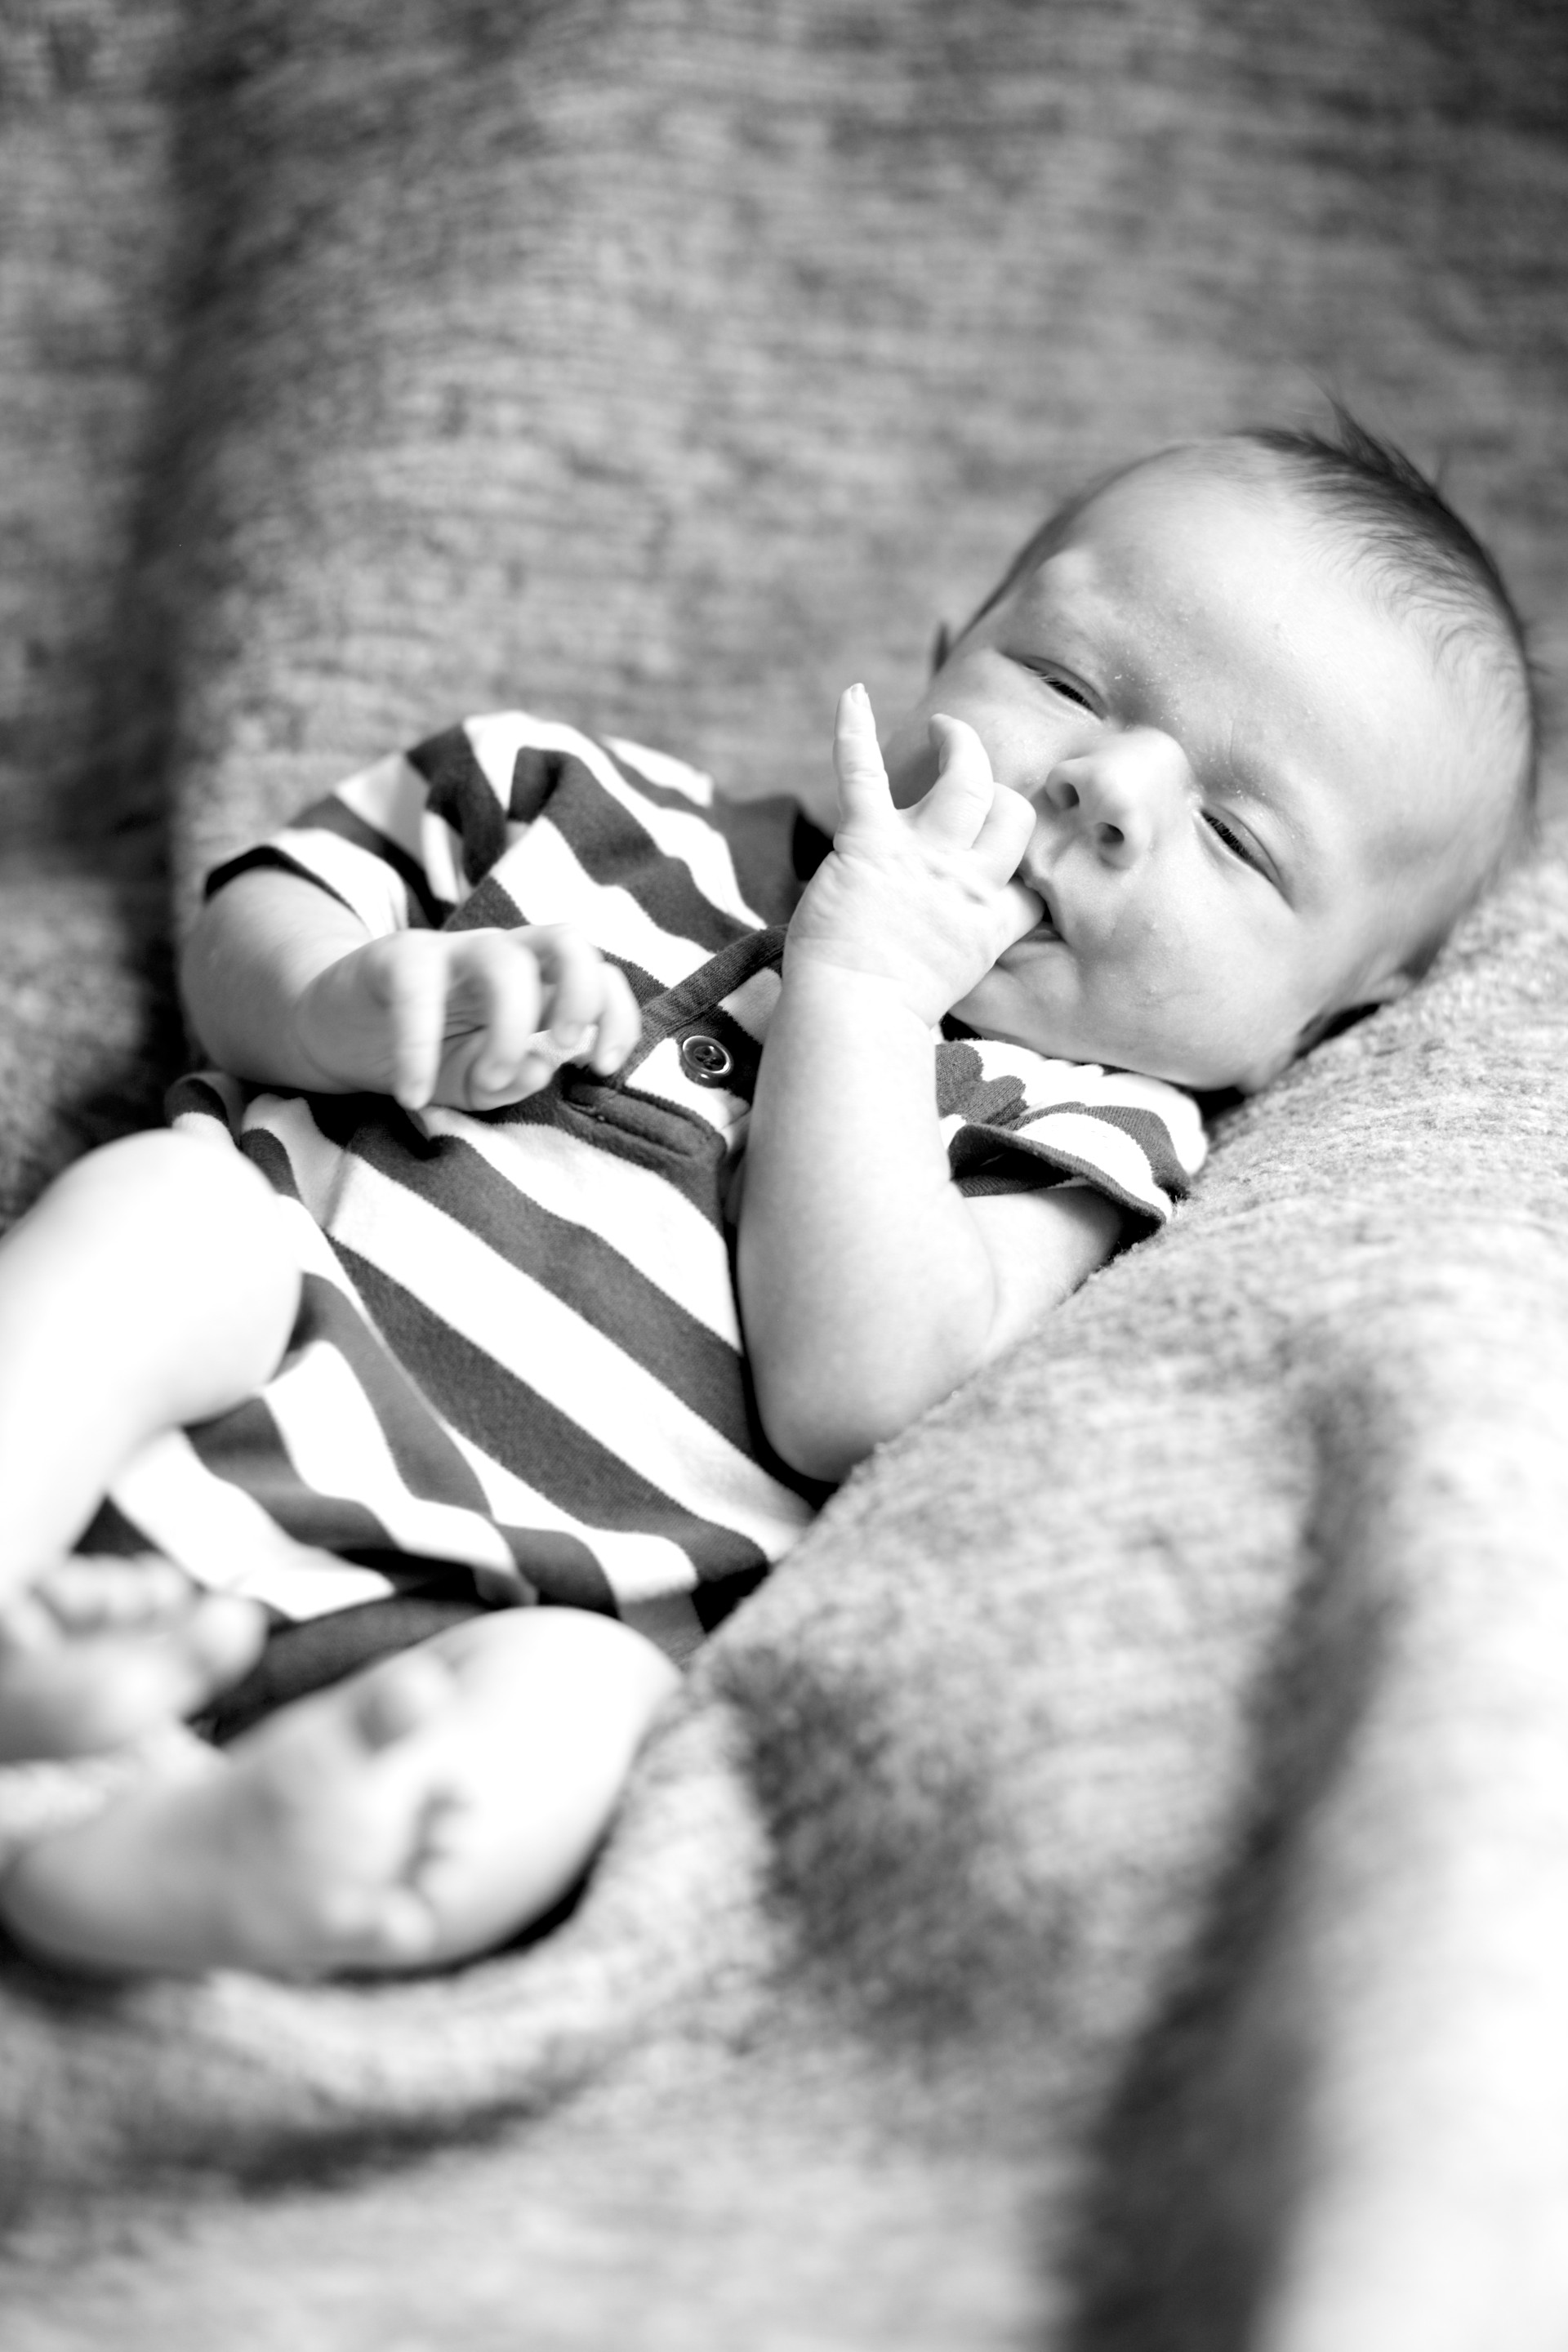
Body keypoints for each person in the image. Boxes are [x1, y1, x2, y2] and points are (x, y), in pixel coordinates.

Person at [0, 416, 1538, 1977]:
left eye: (1236, 836)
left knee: (597, 1707)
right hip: (198, 1387)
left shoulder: (1086, 1137)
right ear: (947, 650)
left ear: (1325, 1017)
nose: (1106, 788)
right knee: (170, 1215)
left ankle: (170, 1855)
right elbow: (258, 918)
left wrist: (863, 991)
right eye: (1070, 682)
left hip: (483, 1623)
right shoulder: (582, 806)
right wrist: (334, 999)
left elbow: (857, 1399)